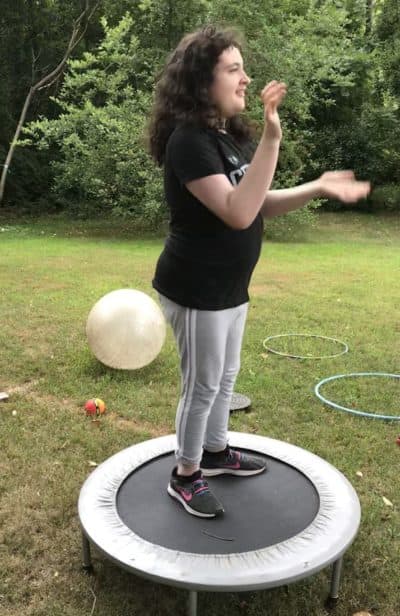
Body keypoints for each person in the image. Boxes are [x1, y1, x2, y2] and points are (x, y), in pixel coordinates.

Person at [148, 25, 370, 519]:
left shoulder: (224, 139)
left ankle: (216, 450)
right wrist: (273, 136)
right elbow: (236, 212)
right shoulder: (188, 141)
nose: (246, 78)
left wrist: (316, 186)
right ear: (202, 81)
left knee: (226, 376)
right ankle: (184, 474)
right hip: (196, 286)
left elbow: (258, 203)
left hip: (230, 285)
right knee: (201, 384)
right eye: (234, 69)